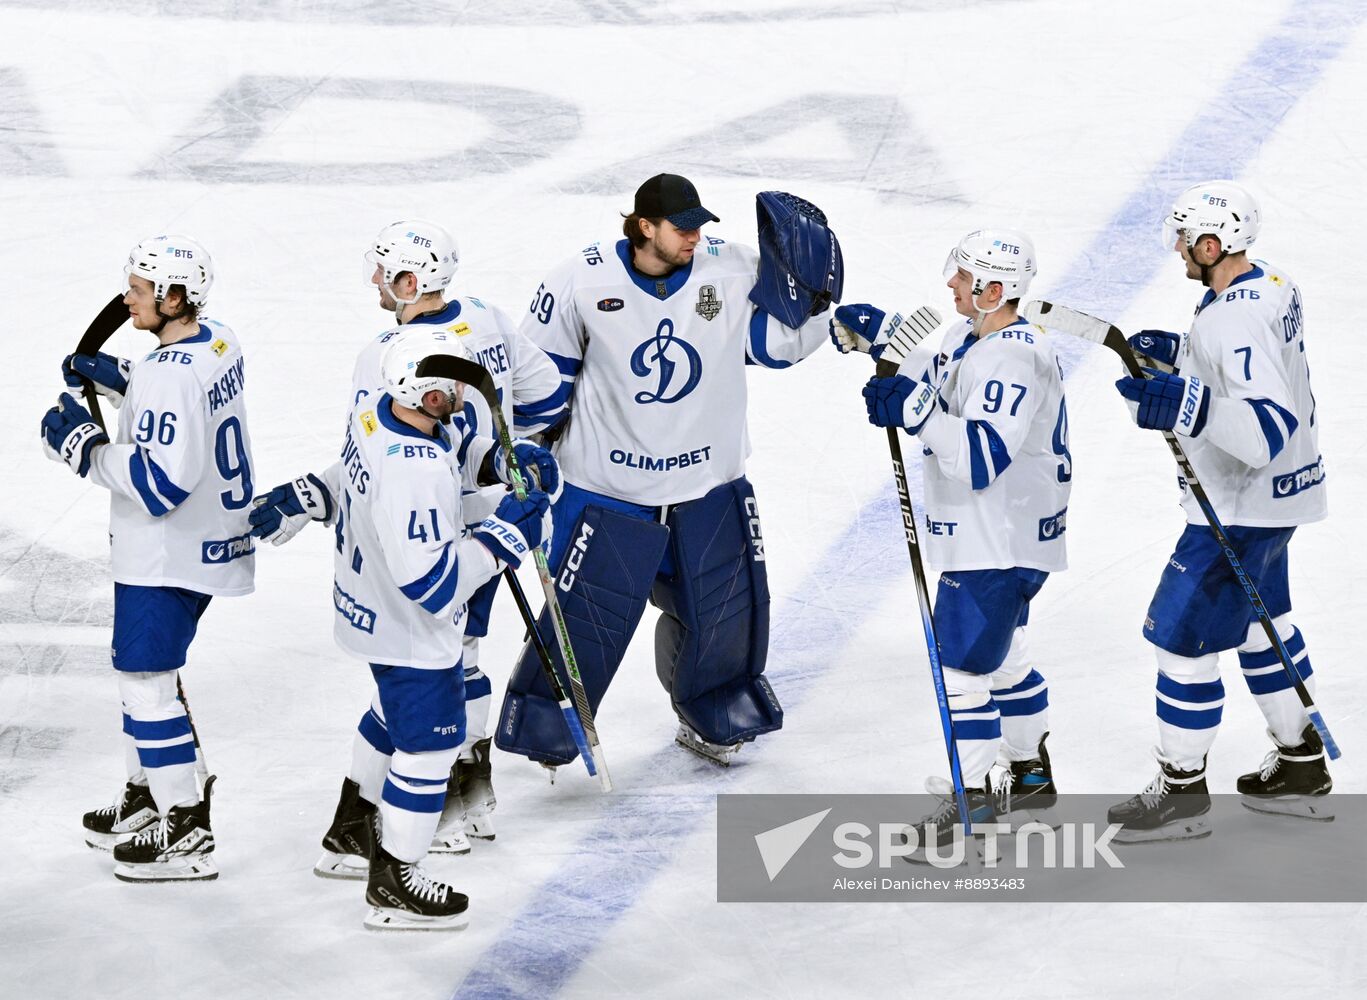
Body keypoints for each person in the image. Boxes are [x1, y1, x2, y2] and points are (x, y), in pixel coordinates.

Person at [496, 173, 843, 768]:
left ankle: (713, 704)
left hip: (708, 484)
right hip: (608, 488)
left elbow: (769, 343)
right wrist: (519, 449)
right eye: (682, 227)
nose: (695, 236)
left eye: (699, 225)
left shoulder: (725, 271)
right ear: (642, 227)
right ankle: (549, 717)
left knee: (726, 615)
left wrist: (823, 316)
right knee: (584, 620)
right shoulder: (580, 279)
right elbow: (543, 383)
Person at [247, 220, 564, 869]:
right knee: (456, 660)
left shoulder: (385, 356)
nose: (372, 280)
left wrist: (317, 493)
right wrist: (512, 463)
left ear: (409, 280)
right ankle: (456, 793)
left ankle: (410, 810)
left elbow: (376, 456)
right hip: (480, 514)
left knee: (437, 668)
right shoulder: (488, 319)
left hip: (427, 529)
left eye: (382, 268)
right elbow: (549, 396)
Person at [1107, 181, 1330, 842]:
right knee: (1265, 627)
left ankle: (1180, 793)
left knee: (1179, 645)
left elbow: (1260, 432)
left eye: (1183, 237)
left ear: (1210, 245)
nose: (1174, 246)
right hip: (1287, 496)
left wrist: (1184, 404)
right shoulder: (1271, 283)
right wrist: (1179, 359)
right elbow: (1251, 372)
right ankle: (1301, 764)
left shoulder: (1226, 319)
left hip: (1236, 507)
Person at [310, 329, 550, 930]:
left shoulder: (382, 417)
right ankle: (396, 878)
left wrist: (496, 464)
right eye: (454, 382)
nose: (465, 386)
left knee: (391, 714)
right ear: (429, 394)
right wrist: (507, 536)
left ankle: (349, 828)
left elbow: (424, 484)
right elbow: (436, 585)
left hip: (369, 606)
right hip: (411, 629)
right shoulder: (410, 467)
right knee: (431, 746)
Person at [42, 235, 255, 882]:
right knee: (150, 677)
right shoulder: (218, 340)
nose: (125, 299)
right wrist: (123, 382)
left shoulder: (170, 374)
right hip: (210, 539)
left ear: (174, 297)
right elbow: (179, 403)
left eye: (138, 290)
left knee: (144, 681)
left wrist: (82, 448)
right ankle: (147, 795)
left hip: (166, 555)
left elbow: (160, 483)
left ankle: (185, 828)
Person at [852, 229, 1068, 855]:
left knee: (960, 668)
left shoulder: (1015, 357)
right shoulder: (969, 337)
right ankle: (1029, 777)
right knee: (1004, 657)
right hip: (1007, 534)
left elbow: (979, 457)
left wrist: (914, 410)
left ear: (994, 290)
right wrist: (884, 340)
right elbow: (941, 379)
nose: (951, 283)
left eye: (963, 276)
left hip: (996, 538)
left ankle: (972, 798)